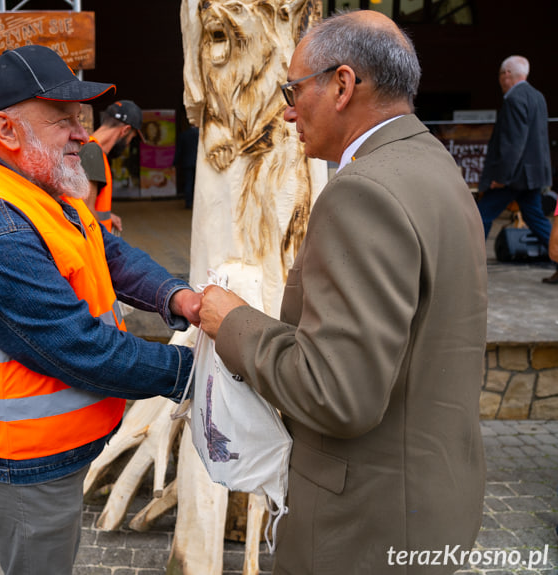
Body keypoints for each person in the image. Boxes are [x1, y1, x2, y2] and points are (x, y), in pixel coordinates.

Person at [199, 11, 487, 575]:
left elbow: (337, 394)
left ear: (343, 84)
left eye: (292, 88)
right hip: (433, 498)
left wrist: (232, 321)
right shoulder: (434, 165)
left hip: (364, 526)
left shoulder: (362, 192)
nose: (286, 109)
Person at [0, 45, 201, 575]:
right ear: (7, 129)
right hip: (21, 467)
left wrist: (175, 297)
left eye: (80, 118)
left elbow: (105, 251)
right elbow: (76, 345)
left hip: (48, 455)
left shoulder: (36, 187)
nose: (82, 133)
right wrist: (190, 372)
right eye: (62, 119)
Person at [476, 55, 553, 278]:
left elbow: (513, 143)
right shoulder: (537, 96)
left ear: (507, 74)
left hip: (514, 175)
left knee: (482, 216)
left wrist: (502, 177)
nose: (500, 80)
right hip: (532, 174)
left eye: (501, 75)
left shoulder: (514, 99)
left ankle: (472, 266)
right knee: (535, 218)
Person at [79, 100, 145, 233]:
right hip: (94, 246)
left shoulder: (90, 149)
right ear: (125, 130)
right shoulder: (92, 151)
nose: (128, 144)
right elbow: (85, 211)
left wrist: (107, 218)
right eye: (131, 138)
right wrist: (110, 246)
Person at [174, 125, 199, 208]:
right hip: (199, 163)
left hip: (187, 162)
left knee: (188, 182)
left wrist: (175, 162)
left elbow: (179, 150)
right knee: (198, 183)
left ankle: (188, 202)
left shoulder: (184, 135)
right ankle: (198, 203)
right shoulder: (201, 135)